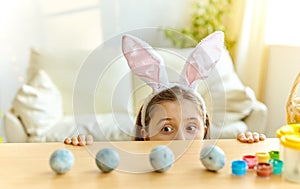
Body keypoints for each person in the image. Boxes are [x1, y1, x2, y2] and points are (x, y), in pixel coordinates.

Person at [64, 31, 266, 145]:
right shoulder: (132, 167)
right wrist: (81, 151)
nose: (181, 140)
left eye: (191, 127)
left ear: (204, 130)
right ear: (145, 133)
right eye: (166, 128)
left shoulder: (212, 164)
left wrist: (250, 146)